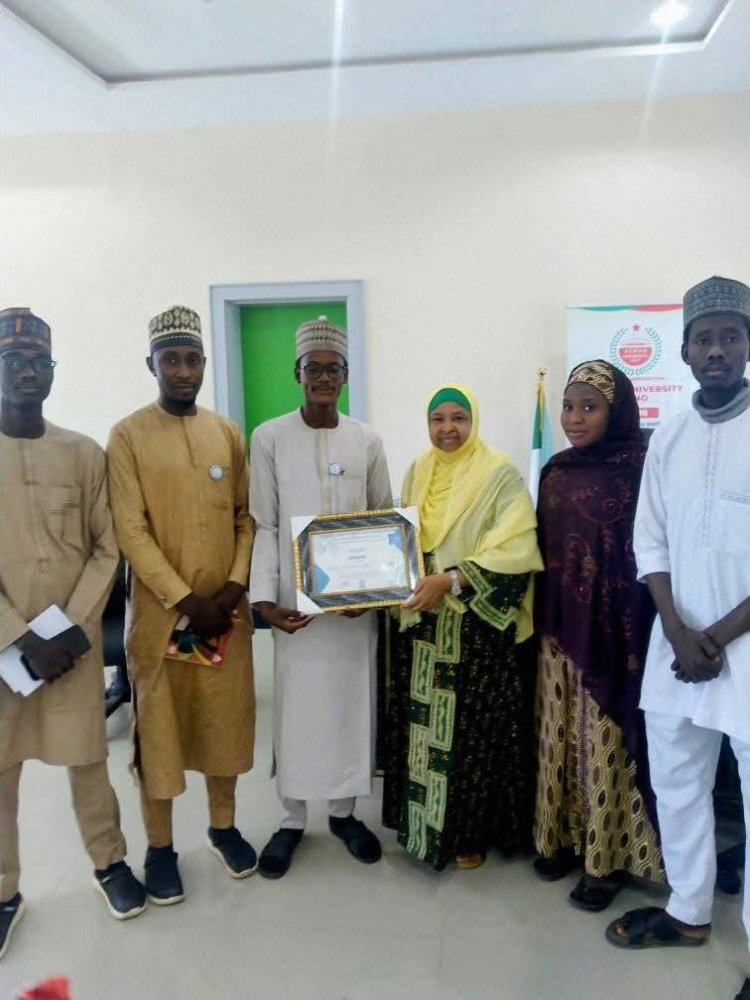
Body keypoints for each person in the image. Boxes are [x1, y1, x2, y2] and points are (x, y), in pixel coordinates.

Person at [606, 277, 750, 982]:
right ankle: (690, 911)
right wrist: (675, 626)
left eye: (731, 335)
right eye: (704, 338)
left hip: (740, 648)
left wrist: (716, 639)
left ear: (748, 345)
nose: (717, 349)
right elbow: (650, 539)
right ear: (686, 351)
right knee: (678, 782)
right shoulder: (671, 435)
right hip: (679, 644)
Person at [0, 307, 145, 961]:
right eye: (14, 363)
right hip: (3, 651)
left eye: (39, 364)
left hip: (72, 645)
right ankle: (4, 892)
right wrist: (17, 635)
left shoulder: (83, 453)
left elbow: (107, 546)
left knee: (89, 761)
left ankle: (110, 863)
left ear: (53, 374)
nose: (28, 374)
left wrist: (68, 630)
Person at [107, 306, 256, 905]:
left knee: (224, 722)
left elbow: (247, 518)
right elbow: (131, 531)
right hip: (164, 618)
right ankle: (160, 847)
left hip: (224, 617)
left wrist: (234, 586)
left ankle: (223, 828)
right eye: (171, 359)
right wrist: (186, 598)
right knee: (161, 734)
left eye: (193, 359)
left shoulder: (226, 433)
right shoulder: (127, 436)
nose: (184, 370)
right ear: (152, 365)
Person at [249, 316, 392, 878]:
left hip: (354, 610)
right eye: (314, 369)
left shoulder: (367, 439)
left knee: (349, 707)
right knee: (297, 710)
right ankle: (290, 820)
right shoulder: (269, 437)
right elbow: (262, 524)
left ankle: (345, 813)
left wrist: (377, 591)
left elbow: (384, 519)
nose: (324, 378)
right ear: (298, 374)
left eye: (333, 369)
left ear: (346, 375)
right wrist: (264, 602)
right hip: (296, 608)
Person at [382, 383, 543, 870]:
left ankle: (469, 833)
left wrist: (451, 580)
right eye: (438, 419)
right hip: (423, 624)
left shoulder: (499, 474)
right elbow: (401, 536)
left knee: (470, 734)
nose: (447, 429)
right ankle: (421, 826)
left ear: (473, 421)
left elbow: (515, 548)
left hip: (474, 625)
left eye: (458, 418)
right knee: (420, 728)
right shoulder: (418, 470)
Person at [533, 360, 662, 912]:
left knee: (603, 741)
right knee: (559, 738)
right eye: (569, 406)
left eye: (590, 407)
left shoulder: (641, 468)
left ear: (618, 411)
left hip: (614, 634)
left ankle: (605, 859)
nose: (575, 418)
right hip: (559, 632)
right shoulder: (556, 470)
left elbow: (651, 552)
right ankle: (560, 838)